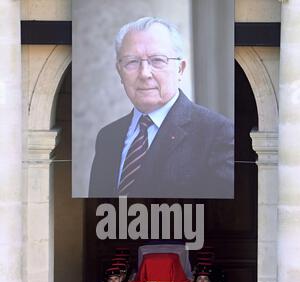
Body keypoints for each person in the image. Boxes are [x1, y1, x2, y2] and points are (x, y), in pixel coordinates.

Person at [89, 16, 234, 198]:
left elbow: (225, 219)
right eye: (132, 62)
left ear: (180, 69)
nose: (144, 73)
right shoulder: (108, 137)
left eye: (157, 60)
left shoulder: (218, 134)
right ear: (119, 71)